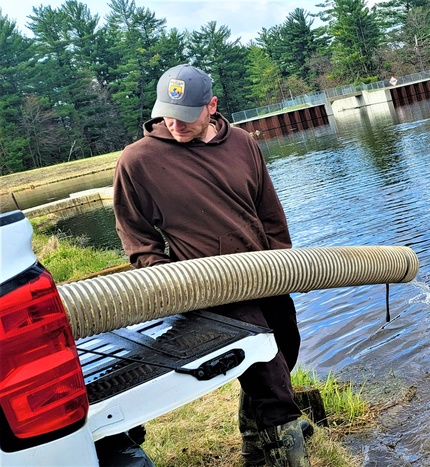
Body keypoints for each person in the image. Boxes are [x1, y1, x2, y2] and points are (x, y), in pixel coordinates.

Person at [113, 64, 309, 467]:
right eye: (167, 113)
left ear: (211, 107)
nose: (174, 123)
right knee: (270, 378)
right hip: (210, 289)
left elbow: (268, 210)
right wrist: (173, 279)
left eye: (185, 116)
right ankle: (283, 449)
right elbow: (136, 236)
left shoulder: (241, 143)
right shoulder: (138, 160)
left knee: (286, 349)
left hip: (266, 273)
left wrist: (283, 261)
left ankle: (255, 442)